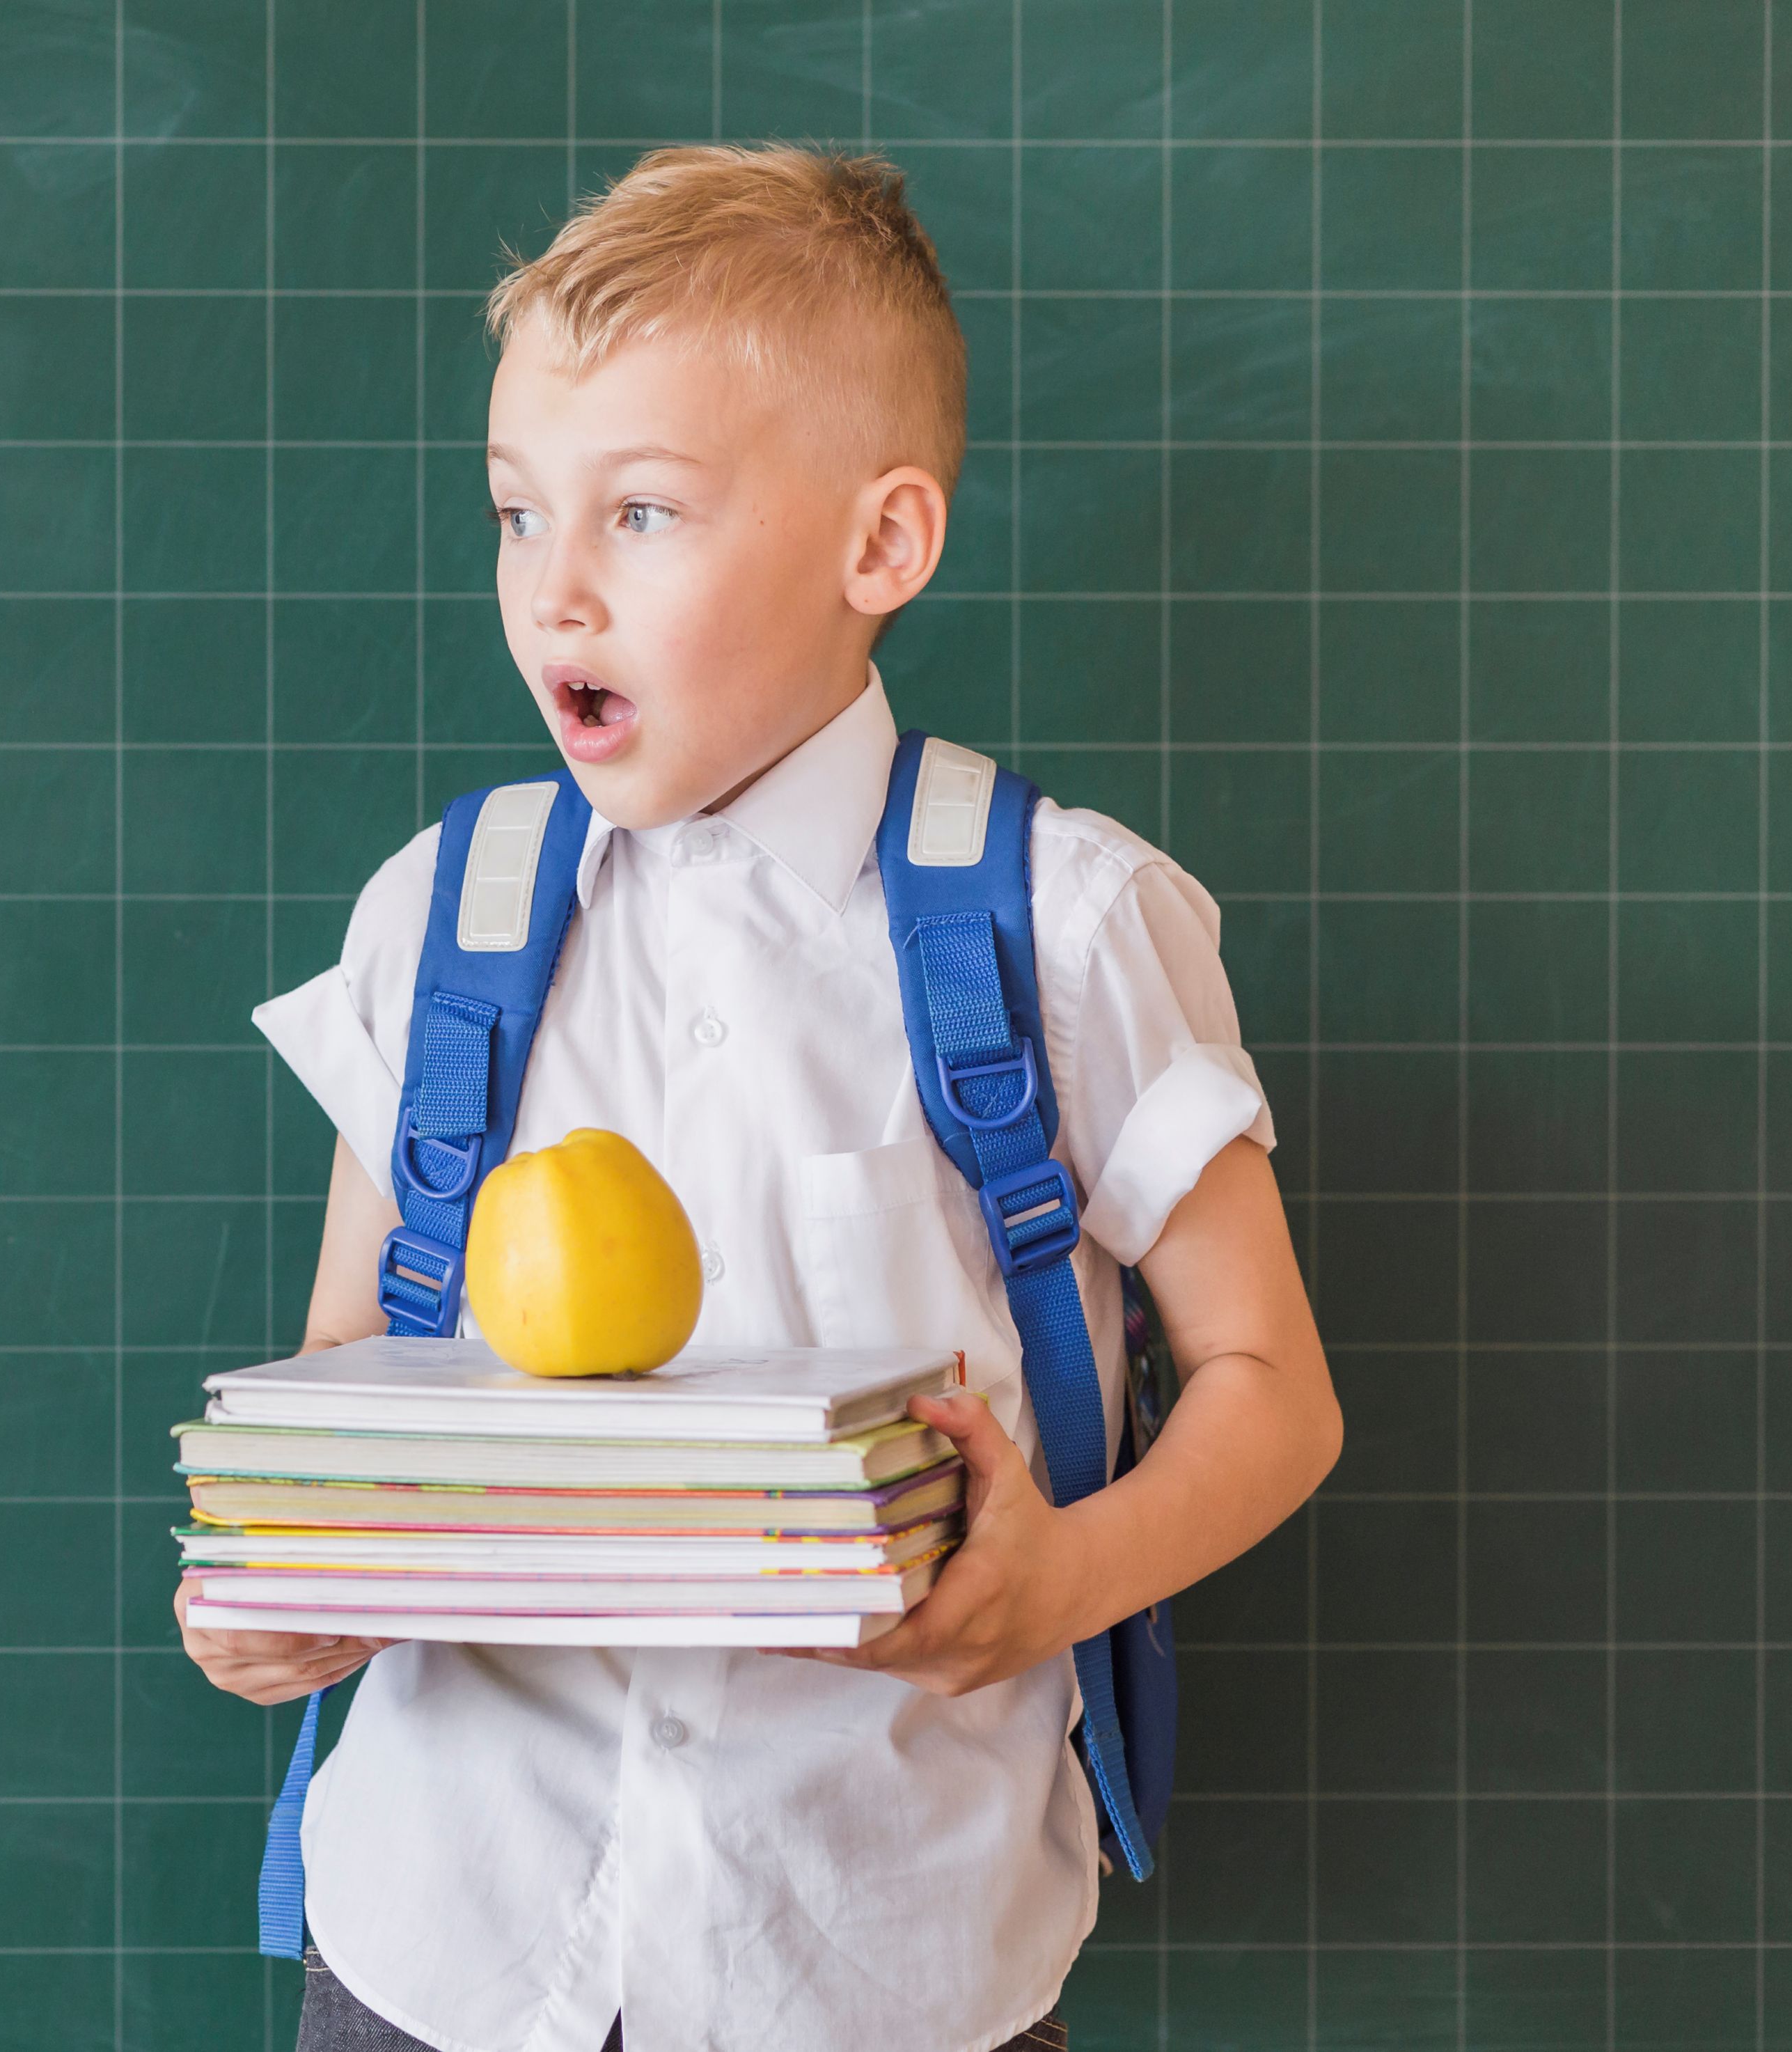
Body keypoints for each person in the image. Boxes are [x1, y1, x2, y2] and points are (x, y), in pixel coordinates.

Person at [175, 146, 1344, 2052]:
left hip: (876, 1967)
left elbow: (1275, 1393)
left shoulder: (1059, 927)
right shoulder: (439, 917)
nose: (553, 587)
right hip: (443, 1946)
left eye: (641, 513)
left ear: (880, 546)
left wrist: (1059, 1576)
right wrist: (278, 1592)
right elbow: (345, 1368)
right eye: (514, 511)